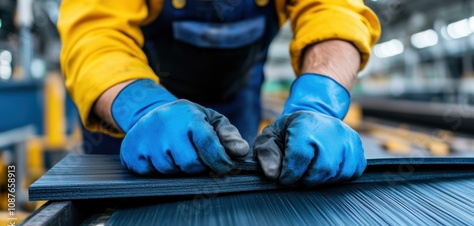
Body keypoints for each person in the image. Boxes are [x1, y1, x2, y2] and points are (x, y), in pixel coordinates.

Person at [57, 0, 380, 186]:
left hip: (236, 108)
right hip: (141, 122)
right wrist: (142, 108)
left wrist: (319, 101)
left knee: (237, 193)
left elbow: (335, 11)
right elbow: (95, 34)